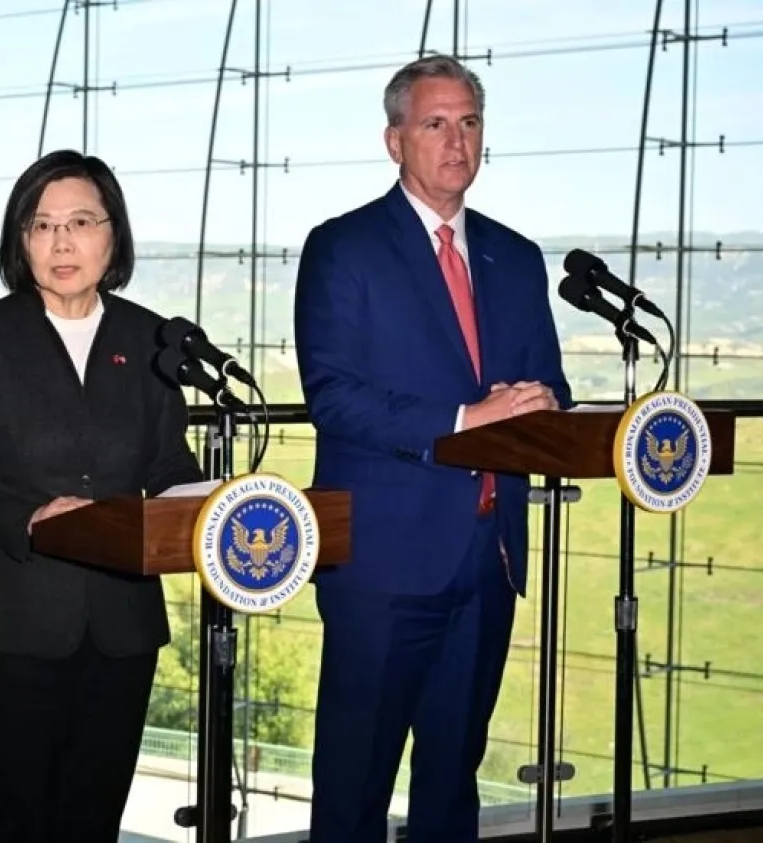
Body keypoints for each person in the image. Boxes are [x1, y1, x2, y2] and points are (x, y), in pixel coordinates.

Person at [292, 55, 574, 843]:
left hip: (488, 559)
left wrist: (547, 405)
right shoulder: (343, 247)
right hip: (383, 562)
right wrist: (464, 417)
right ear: (395, 141)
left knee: (452, 788)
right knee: (355, 789)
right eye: (435, 123)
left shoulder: (516, 257)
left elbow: (545, 382)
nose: (457, 141)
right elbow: (334, 396)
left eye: (470, 123)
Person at [0, 148, 202, 842]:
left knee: (93, 818)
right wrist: (31, 518)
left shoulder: (150, 339)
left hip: (121, 625)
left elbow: (166, 463)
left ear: (113, 235)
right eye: (41, 226)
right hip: (9, 621)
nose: (62, 242)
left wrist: (210, 499)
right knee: (13, 817)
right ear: (21, 242)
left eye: (80, 221)